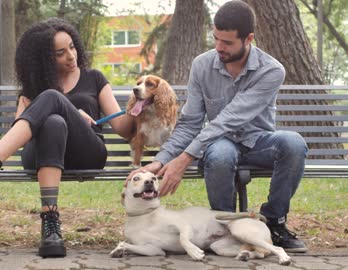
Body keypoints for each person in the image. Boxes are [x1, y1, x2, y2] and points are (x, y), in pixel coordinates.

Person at [0, 18, 135, 258]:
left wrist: (139, 106)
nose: (71, 55)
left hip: (87, 153)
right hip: (42, 155)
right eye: (60, 53)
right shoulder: (33, 87)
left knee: (53, 100)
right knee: (53, 120)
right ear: (45, 59)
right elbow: (23, 139)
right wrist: (59, 111)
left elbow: (123, 128)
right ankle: (50, 226)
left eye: (72, 46)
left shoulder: (95, 78)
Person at [127, 1, 308, 253]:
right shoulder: (202, 65)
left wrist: (186, 157)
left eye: (228, 43)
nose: (219, 47)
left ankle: (275, 223)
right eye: (216, 39)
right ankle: (224, 227)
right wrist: (163, 159)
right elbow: (190, 122)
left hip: (259, 142)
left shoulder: (271, 70)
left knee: (293, 143)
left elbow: (231, 117)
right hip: (219, 142)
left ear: (249, 39)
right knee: (221, 153)